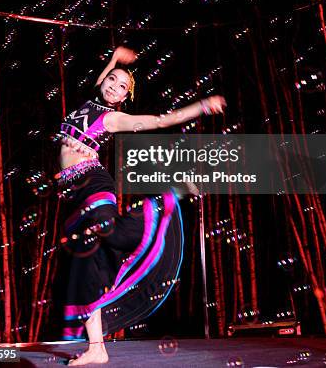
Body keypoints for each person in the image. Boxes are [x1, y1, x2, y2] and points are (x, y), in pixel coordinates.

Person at [56, 46, 226, 365]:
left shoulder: (112, 117)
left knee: (116, 237)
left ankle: (168, 198)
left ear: (123, 98)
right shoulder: (89, 103)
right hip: (73, 194)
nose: (114, 86)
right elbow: (104, 75)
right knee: (85, 266)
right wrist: (116, 59)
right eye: (112, 80)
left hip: (93, 184)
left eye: (122, 86)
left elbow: (163, 122)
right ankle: (97, 348)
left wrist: (202, 106)